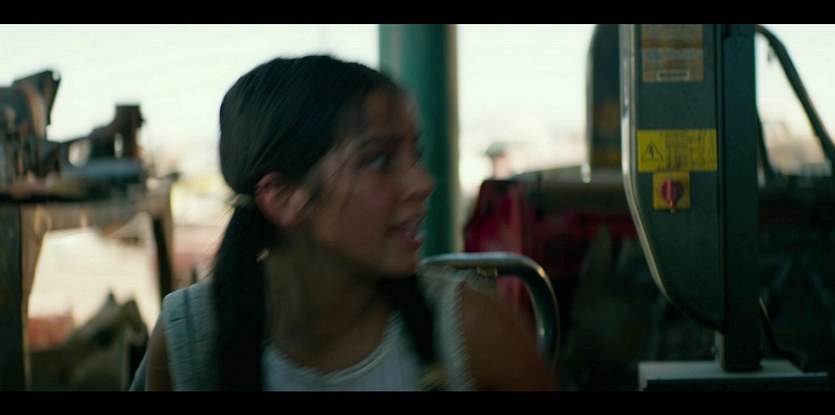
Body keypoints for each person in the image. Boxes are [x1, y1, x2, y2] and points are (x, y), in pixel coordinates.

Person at [130, 55, 553, 391]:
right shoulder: (189, 341)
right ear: (284, 198)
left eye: (416, 154)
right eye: (380, 160)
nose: (424, 183)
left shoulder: (474, 334)